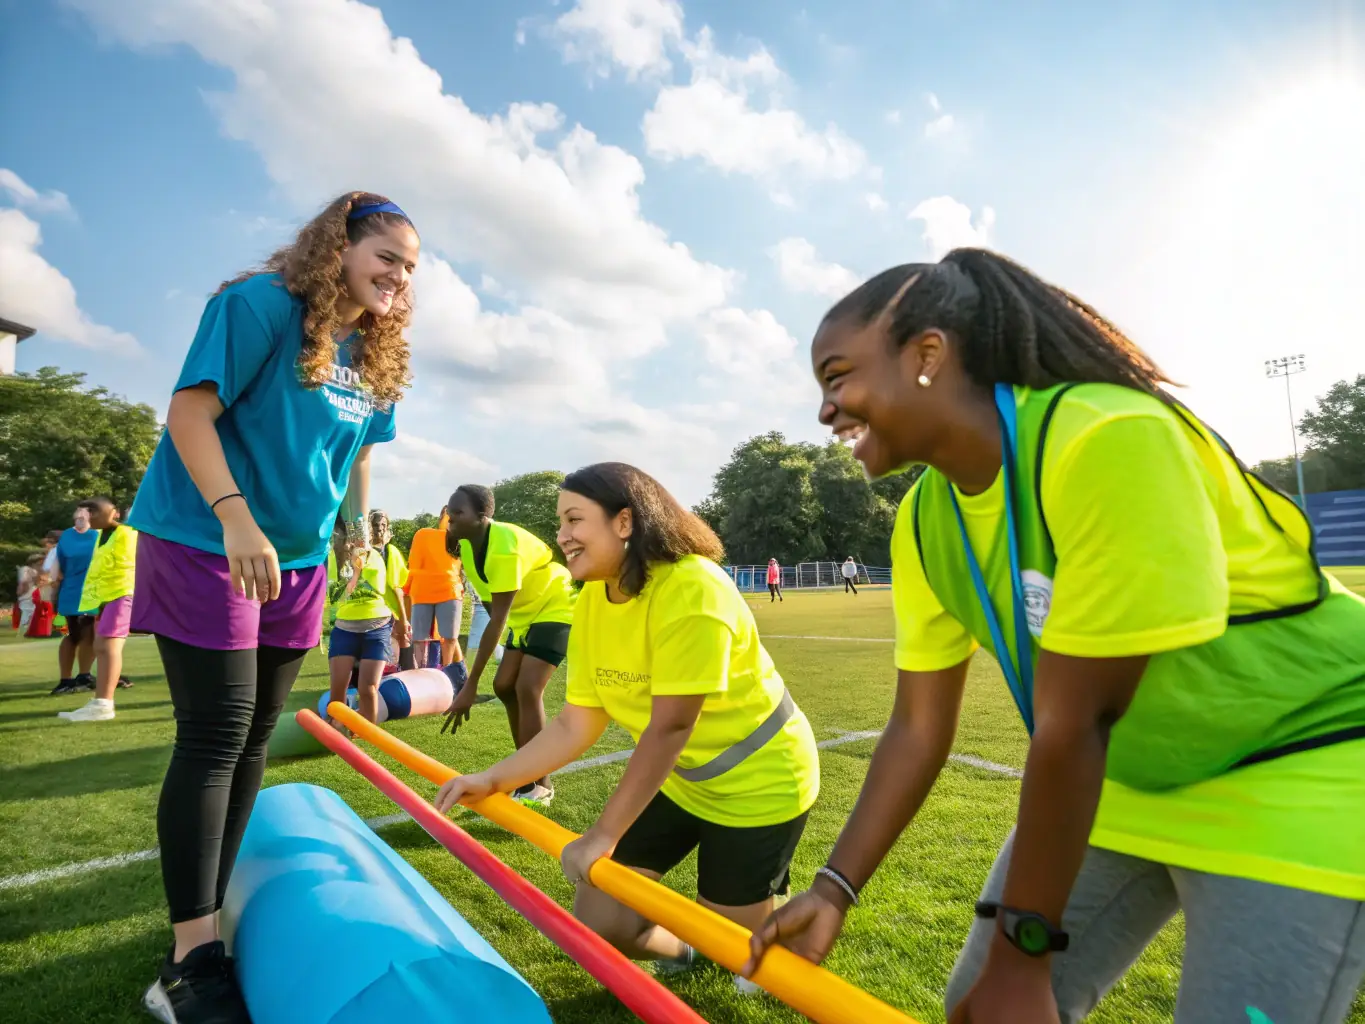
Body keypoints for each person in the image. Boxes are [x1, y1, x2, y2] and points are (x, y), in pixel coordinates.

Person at [744, 249, 1365, 1024]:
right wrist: (833, 888)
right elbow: (915, 727)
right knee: (973, 1007)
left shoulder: (1105, 435)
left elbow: (1077, 722)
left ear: (927, 355)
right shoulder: (924, 522)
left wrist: (1020, 955)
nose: (825, 410)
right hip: (1126, 780)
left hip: (1301, 766)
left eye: (837, 377)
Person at [125, 190, 417, 1024]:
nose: (398, 276)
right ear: (339, 246)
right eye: (386, 255)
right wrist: (235, 517)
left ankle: (207, 921)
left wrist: (356, 529)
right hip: (206, 537)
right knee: (215, 733)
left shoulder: (378, 349)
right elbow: (189, 410)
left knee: (256, 734)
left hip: (295, 559)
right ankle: (187, 961)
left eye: (410, 267)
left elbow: (359, 453)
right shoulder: (258, 306)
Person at [435, 463, 820, 996]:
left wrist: (603, 835)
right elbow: (575, 722)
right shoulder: (594, 593)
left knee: (742, 955)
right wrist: (493, 779)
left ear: (624, 522)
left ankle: (775, 925)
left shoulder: (692, 586)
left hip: (760, 780)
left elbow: (671, 726)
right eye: (559, 522)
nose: (561, 536)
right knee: (602, 919)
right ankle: (689, 950)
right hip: (684, 779)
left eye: (574, 519)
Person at [441, 484, 576, 805]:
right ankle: (525, 772)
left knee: (528, 688)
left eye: (459, 512)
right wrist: (475, 685)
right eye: (449, 511)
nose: (450, 519)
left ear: (482, 516)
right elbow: (495, 618)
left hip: (556, 605)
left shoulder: (504, 546)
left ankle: (539, 783)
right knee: (504, 686)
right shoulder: (470, 553)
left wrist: (470, 686)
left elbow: (496, 621)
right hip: (523, 616)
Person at [58, 498, 137, 722]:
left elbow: (128, 567)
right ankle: (101, 701)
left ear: (116, 513)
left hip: (121, 595)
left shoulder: (127, 533)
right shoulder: (100, 537)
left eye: (93, 510)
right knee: (100, 645)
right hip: (106, 599)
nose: (88, 516)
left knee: (109, 646)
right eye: (85, 511)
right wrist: (96, 603)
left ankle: (104, 704)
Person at [326, 512, 400, 725]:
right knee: (338, 688)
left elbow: (386, 589)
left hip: (377, 627)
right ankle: (335, 732)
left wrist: (402, 621)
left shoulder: (375, 557)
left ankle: (367, 733)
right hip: (344, 628)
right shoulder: (333, 558)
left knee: (367, 689)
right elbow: (335, 593)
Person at [406, 508, 464, 668]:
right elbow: (414, 564)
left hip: (450, 590)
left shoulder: (461, 540)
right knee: (418, 638)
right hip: (422, 591)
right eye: (448, 514)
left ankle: (448, 674)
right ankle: (420, 674)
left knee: (450, 637)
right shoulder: (423, 534)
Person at [50, 505, 99, 694]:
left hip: (91, 592)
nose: (81, 515)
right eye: (79, 511)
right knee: (75, 634)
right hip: (74, 592)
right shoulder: (68, 538)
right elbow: (56, 569)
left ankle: (83, 675)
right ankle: (67, 678)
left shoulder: (95, 535)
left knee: (89, 633)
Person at [371, 508, 413, 669]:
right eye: (376, 524)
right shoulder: (361, 553)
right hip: (369, 613)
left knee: (396, 653)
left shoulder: (390, 552)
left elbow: (397, 588)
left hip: (390, 614)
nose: (380, 528)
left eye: (383, 524)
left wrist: (403, 619)